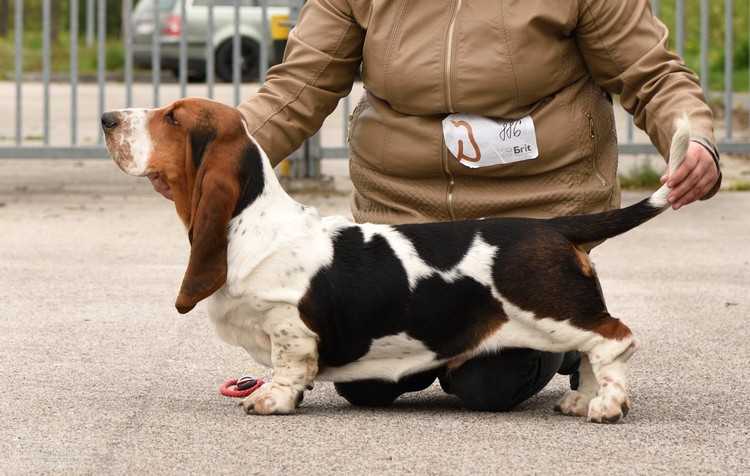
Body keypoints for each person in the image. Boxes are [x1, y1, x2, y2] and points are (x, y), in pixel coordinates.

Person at [151, 0, 721, 411]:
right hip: (401, 225)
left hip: (528, 221)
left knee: (490, 387)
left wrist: (691, 134)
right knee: (361, 388)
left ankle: (563, 328)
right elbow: (298, 88)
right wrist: (212, 161)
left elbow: (652, 74)